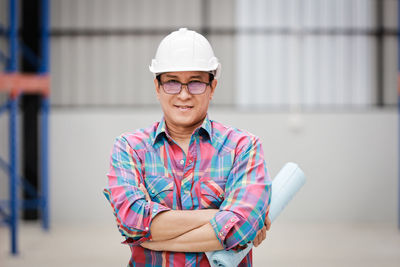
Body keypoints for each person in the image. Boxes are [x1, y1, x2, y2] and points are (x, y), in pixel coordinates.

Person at [104, 28, 272, 267]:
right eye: (172, 82)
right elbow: (130, 221)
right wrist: (222, 218)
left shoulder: (243, 147)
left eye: (195, 83)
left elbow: (242, 229)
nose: (183, 94)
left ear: (212, 87)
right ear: (157, 87)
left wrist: (152, 237)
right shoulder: (130, 148)